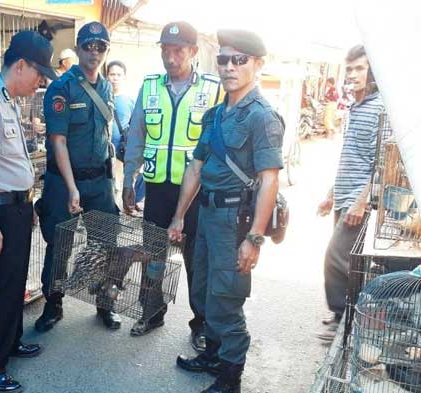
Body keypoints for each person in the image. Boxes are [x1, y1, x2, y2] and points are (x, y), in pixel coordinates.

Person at [169, 30, 283, 393]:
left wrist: (254, 239)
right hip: (207, 215)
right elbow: (196, 168)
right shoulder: (217, 114)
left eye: (240, 60)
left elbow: (269, 181)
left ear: (258, 65)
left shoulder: (262, 117)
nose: (230, 67)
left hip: (235, 221)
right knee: (203, 291)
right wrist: (179, 215)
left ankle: (230, 376)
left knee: (226, 299)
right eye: (223, 59)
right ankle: (213, 354)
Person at [0, 30, 57, 393]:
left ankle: (10, 342)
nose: (40, 83)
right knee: (2, 288)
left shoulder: (8, 100)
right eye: (39, 75)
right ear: (20, 66)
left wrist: (26, 202)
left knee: (15, 283)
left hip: (16, 209)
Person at [122, 21, 221, 343]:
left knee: (196, 259)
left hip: (196, 192)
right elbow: (136, 135)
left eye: (178, 50)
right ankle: (151, 312)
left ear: (193, 52)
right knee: (153, 255)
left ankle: (201, 324)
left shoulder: (212, 89)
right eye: (166, 50)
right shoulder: (150, 87)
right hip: (158, 188)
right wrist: (128, 179)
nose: (171, 57)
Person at [35, 21, 121, 332]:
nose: (94, 52)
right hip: (65, 182)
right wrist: (72, 188)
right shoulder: (62, 87)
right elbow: (58, 140)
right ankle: (53, 304)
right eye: (88, 46)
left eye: (101, 47)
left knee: (104, 244)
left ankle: (104, 304)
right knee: (60, 245)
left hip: (99, 182)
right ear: (80, 46)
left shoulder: (107, 87)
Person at [316, 45, 386, 341]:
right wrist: (332, 193)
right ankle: (342, 316)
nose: (353, 75)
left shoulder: (381, 107)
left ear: (374, 72)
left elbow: (382, 161)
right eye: (350, 69)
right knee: (347, 263)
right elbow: (351, 156)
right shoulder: (356, 106)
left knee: (337, 259)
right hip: (345, 196)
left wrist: (362, 201)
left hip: (359, 200)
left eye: (360, 68)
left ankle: (346, 321)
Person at [106, 60, 145, 210]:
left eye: (118, 74)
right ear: (107, 76)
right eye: (112, 74)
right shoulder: (102, 97)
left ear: (124, 77)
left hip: (123, 148)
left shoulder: (130, 99)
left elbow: (136, 124)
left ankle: (128, 205)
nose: (115, 78)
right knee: (112, 183)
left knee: (125, 181)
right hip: (106, 149)